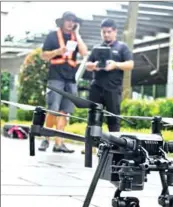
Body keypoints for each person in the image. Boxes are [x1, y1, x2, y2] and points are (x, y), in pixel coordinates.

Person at [38, 11, 88, 152]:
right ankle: (45, 138)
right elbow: (43, 55)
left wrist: (78, 34)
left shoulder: (75, 37)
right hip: (56, 76)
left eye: (73, 21)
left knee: (65, 111)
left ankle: (59, 143)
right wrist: (57, 51)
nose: (70, 23)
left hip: (70, 78)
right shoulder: (52, 36)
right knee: (53, 109)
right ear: (63, 21)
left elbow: (84, 53)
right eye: (68, 20)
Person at [85, 18, 134, 132]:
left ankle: (114, 147)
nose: (106, 35)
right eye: (103, 32)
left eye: (109, 32)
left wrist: (115, 65)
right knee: (93, 118)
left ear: (115, 32)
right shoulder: (96, 48)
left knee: (113, 119)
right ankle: (91, 147)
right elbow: (87, 65)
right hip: (96, 87)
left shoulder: (122, 47)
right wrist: (95, 65)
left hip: (113, 89)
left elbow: (130, 64)